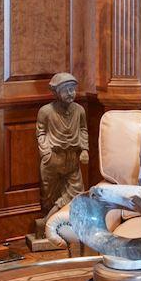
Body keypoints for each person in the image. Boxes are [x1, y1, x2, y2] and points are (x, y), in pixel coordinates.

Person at [35, 72, 89, 240]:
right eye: (65, 90)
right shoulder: (45, 111)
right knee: (48, 193)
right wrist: (46, 153)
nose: (70, 93)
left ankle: (48, 222)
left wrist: (85, 149)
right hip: (53, 158)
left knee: (76, 191)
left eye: (72, 89)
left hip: (72, 158)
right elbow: (40, 133)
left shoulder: (79, 110)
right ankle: (48, 226)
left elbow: (83, 130)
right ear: (55, 92)